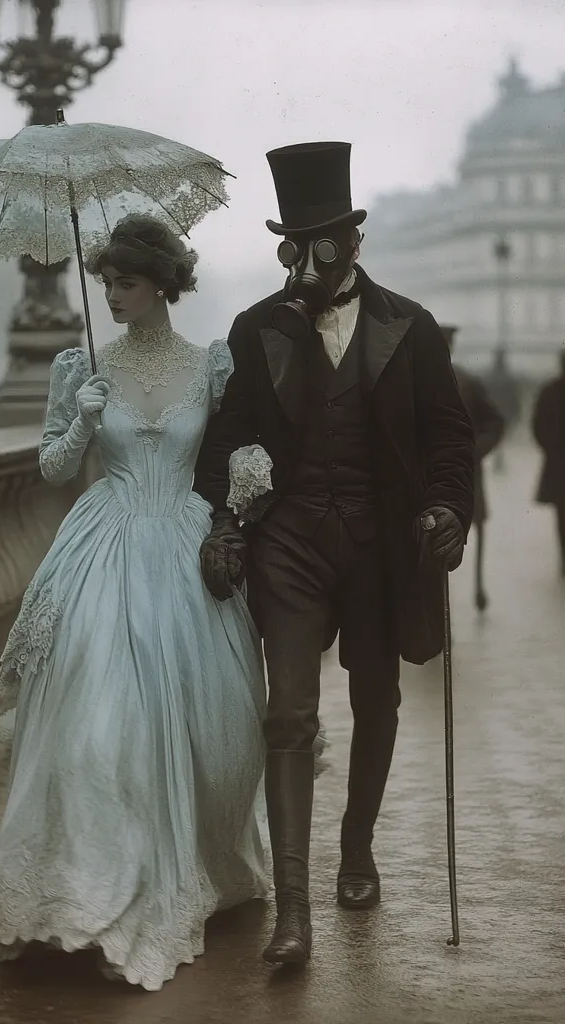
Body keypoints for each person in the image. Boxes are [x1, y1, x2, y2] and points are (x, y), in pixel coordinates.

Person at [194, 142, 475, 966]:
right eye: (295, 244)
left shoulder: (409, 327)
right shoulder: (257, 329)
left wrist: (446, 508)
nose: (308, 261)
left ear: (354, 243)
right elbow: (228, 439)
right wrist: (225, 521)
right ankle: (293, 911)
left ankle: (356, 846)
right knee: (287, 715)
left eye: (325, 243)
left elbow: (450, 437)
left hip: (383, 544)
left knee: (377, 697)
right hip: (289, 543)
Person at [0, 214, 269, 991]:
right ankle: (84, 895)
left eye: (126, 283)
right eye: (105, 281)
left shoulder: (211, 364)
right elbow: (50, 469)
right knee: (95, 725)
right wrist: (80, 415)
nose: (111, 294)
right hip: (101, 548)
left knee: (199, 724)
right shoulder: (83, 366)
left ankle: (180, 873)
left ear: (163, 286)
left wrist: (243, 490)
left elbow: (232, 452)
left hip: (180, 545)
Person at [441, 325, 505, 609]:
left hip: (467, 474)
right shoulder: (410, 381)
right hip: (425, 475)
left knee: (476, 526)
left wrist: (475, 451)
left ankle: (479, 585)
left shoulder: (467, 381)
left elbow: (495, 422)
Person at [532, 351, 565, 576]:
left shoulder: (550, 390)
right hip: (557, 460)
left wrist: (550, 449)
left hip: (558, 463)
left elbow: (538, 425)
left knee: (562, 515)